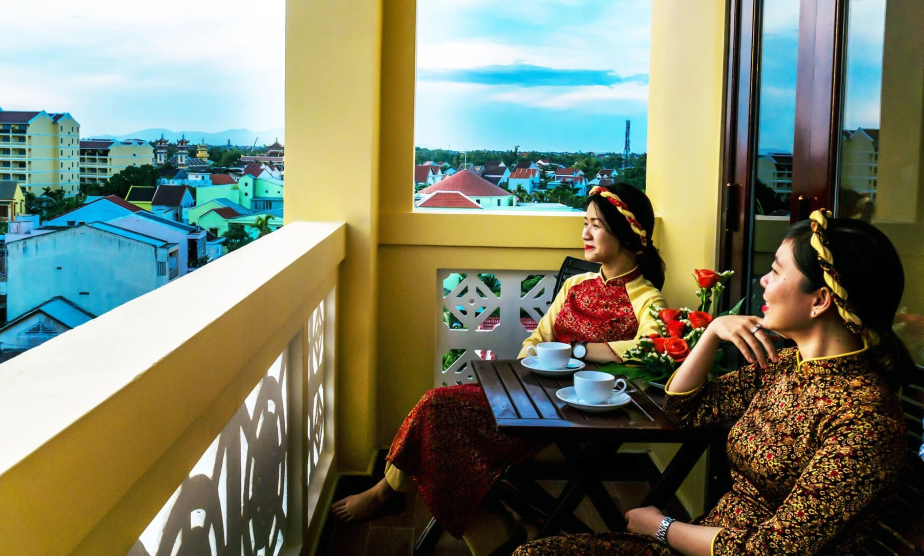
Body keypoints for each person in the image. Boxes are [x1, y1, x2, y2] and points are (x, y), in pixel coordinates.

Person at [514, 211, 919, 556]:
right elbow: (683, 410)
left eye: (776, 271)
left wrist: (661, 527)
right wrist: (711, 333)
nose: (763, 280)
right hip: (705, 538)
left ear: (820, 301)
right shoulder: (784, 366)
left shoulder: (865, 420)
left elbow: (772, 550)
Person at [330, 183, 667, 556]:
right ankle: (489, 534)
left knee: (441, 418)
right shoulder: (575, 284)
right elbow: (534, 342)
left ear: (627, 233)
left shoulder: (647, 299)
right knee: (438, 410)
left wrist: (584, 351)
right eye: (584, 223)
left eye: (596, 225)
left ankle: (478, 529)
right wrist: (539, 362)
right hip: (532, 405)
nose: (585, 233)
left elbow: (656, 351)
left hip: (575, 427)